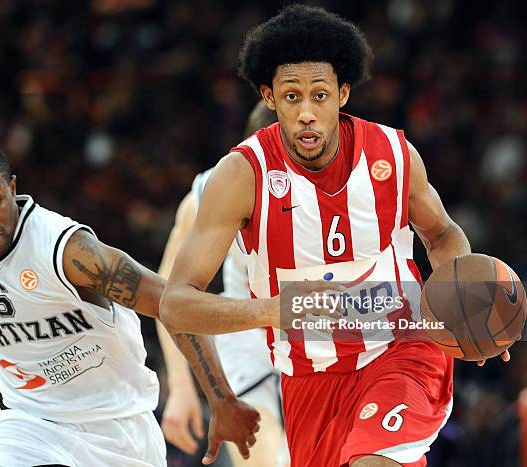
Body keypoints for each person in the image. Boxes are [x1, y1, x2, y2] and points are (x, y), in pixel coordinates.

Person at [160, 5, 508, 467]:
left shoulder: (393, 153)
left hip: (400, 348)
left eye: (320, 95)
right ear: (269, 97)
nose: (306, 112)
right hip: (307, 376)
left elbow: (442, 233)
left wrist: (462, 293)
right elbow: (175, 302)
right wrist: (276, 310)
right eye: (291, 96)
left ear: (343, 93)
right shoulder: (239, 176)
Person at [0, 141, 260, 467]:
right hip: (29, 422)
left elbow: (174, 304)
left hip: (117, 427)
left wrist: (221, 398)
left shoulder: (66, 250)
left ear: (11, 187)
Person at [156, 101, 290, 467]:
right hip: (246, 339)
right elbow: (166, 295)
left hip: (317, 336)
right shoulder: (210, 192)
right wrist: (181, 388)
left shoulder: (341, 184)